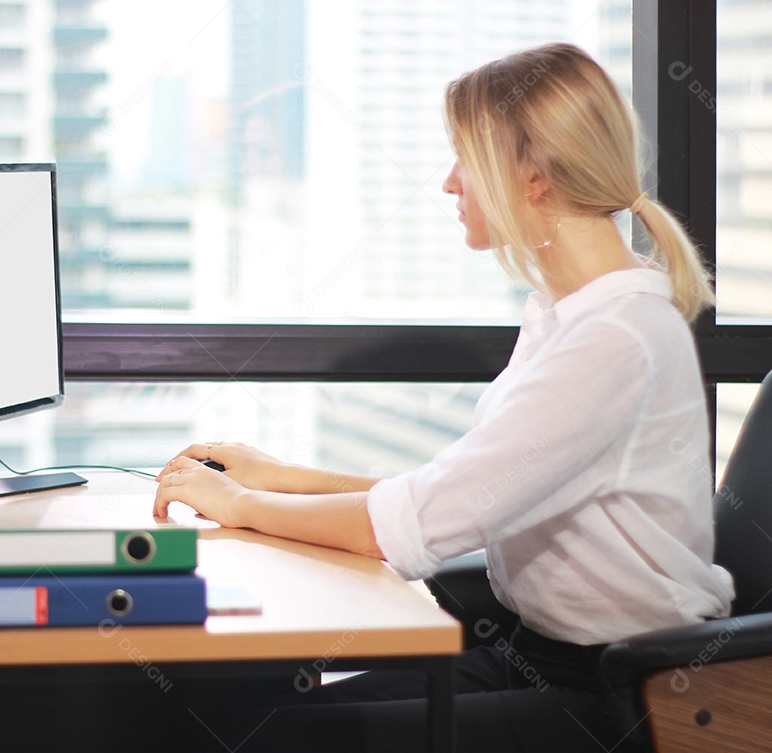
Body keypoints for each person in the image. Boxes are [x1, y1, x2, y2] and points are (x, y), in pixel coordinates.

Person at [153, 42, 734, 752]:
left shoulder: (615, 337)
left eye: (467, 159)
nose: (451, 183)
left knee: (262, 736)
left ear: (534, 176)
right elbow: (466, 490)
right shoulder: (563, 312)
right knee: (235, 712)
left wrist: (241, 505)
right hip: (544, 656)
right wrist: (283, 478)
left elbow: (415, 522)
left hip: (624, 695)